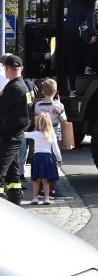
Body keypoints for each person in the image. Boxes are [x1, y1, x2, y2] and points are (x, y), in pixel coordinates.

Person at [0, 55, 35, 205]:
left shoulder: (13, 88)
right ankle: (15, 202)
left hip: (8, 137)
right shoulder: (24, 86)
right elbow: (29, 108)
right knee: (13, 175)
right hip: (15, 135)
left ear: (7, 69)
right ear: (20, 68)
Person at [62, 0, 98, 96]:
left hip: (68, 33)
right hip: (81, 34)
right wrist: (94, 34)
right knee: (91, 44)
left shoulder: (73, 1)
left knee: (72, 62)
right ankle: (88, 67)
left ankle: (72, 90)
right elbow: (89, 20)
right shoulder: (90, 5)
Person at [35, 78, 66, 197]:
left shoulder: (38, 105)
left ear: (42, 91)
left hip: (41, 134)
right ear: (56, 91)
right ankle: (52, 189)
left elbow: (37, 117)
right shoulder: (59, 106)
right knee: (53, 162)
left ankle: (42, 188)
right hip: (54, 134)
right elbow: (64, 120)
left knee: (42, 160)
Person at [23, 113, 61, 205]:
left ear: (37, 123)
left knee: (36, 180)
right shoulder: (52, 134)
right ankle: (46, 198)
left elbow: (24, 135)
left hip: (37, 158)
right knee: (46, 180)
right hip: (48, 158)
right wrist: (59, 159)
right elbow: (56, 149)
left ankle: (35, 198)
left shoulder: (35, 134)